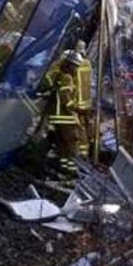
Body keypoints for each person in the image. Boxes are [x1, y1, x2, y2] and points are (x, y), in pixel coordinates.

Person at [43, 49, 88, 178]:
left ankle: (62, 166)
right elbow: (65, 99)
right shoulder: (67, 78)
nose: (76, 69)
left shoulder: (57, 75)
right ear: (70, 65)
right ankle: (70, 169)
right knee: (72, 143)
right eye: (75, 66)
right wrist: (77, 109)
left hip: (57, 115)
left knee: (62, 143)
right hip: (65, 116)